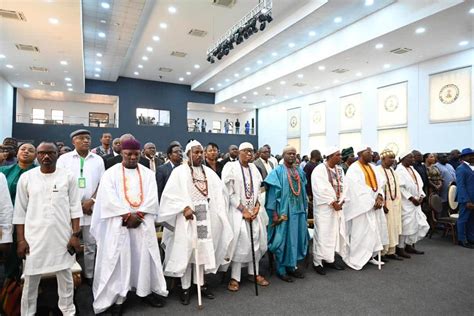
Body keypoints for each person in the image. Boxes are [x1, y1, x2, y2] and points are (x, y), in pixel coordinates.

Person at [90, 139, 168, 314]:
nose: (132, 157)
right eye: (128, 154)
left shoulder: (148, 173)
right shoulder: (110, 173)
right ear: (122, 154)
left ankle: (145, 290)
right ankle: (118, 297)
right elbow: (108, 198)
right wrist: (126, 215)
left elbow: (151, 197)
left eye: (135, 154)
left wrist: (138, 215)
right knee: (119, 259)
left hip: (142, 223)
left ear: (140, 153)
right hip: (119, 223)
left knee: (143, 257)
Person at [158, 140, 233, 305]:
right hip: (186, 218)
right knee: (187, 251)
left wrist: (216, 208)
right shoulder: (179, 172)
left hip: (206, 217)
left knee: (202, 251)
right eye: (196, 152)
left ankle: (200, 284)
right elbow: (169, 196)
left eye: (201, 152)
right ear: (188, 154)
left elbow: (221, 193)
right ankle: (184, 288)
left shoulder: (209, 173)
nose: (199, 155)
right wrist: (183, 207)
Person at [13, 141, 82, 315]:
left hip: (62, 236)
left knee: (65, 275)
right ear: (37, 155)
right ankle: (28, 312)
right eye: (42, 153)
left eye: (51, 153)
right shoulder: (27, 178)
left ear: (57, 155)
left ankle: (67, 310)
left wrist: (75, 235)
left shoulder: (68, 176)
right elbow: (19, 212)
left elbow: (75, 208)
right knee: (30, 278)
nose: (46, 156)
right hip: (34, 237)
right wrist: (21, 240)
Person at [57, 129, 105, 286]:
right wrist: (77, 205)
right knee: (70, 243)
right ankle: (70, 275)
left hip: (91, 209)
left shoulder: (98, 159)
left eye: (88, 138)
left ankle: (89, 275)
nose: (86, 141)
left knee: (91, 245)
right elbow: (59, 183)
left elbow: (102, 183)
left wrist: (91, 201)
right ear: (73, 142)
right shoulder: (64, 159)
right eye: (82, 138)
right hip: (71, 210)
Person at [222, 142, 269, 291]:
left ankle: (253, 273)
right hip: (237, 212)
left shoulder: (255, 168)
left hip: (254, 212)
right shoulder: (230, 168)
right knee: (240, 242)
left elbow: (260, 190)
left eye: (251, 151)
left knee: (255, 239)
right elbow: (229, 192)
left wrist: (256, 207)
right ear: (239, 152)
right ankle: (235, 277)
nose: (249, 154)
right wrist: (243, 210)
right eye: (246, 151)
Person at [264, 146, 309, 282]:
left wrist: (305, 208)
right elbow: (272, 196)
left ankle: (292, 266)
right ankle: (281, 269)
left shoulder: (299, 171)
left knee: (296, 239)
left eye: (294, 154)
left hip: (299, 211)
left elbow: (303, 192)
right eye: (289, 153)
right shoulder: (276, 172)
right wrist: (275, 215)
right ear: (283, 155)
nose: (292, 156)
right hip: (284, 212)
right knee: (282, 240)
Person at [343, 146, 386, 270]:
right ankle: (357, 258)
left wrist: (379, 196)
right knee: (361, 233)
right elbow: (356, 189)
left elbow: (380, 184)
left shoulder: (373, 167)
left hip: (375, 205)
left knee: (374, 231)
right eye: (368, 152)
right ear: (360, 154)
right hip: (362, 208)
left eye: (372, 152)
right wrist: (372, 202)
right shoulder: (354, 169)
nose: (371, 154)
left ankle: (370, 256)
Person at [0, 143, 37, 280]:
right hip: (8, 219)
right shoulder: (4, 172)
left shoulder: (40, 172)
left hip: (31, 220)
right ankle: (11, 285)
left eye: (31, 150)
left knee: (31, 254)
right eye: (23, 149)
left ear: (36, 155)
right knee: (11, 255)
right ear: (17, 152)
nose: (26, 152)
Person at [311, 147, 347, 275]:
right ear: (331, 156)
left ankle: (330, 259)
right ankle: (318, 261)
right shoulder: (319, 170)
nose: (341, 157)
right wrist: (332, 202)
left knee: (333, 234)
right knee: (322, 234)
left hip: (337, 208)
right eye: (338, 155)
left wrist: (341, 201)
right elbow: (319, 189)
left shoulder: (340, 170)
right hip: (324, 209)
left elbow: (345, 187)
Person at [395, 151, 430, 258]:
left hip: (416, 201)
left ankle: (409, 245)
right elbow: (400, 188)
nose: (413, 160)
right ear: (403, 159)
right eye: (411, 158)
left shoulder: (412, 169)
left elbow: (419, 184)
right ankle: (400, 248)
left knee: (417, 224)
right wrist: (411, 198)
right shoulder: (399, 171)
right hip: (407, 203)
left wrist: (421, 196)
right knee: (406, 225)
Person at [378, 149, 403, 261]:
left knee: (394, 226)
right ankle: (382, 252)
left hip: (395, 204)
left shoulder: (393, 171)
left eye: (394, 158)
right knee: (386, 228)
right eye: (390, 158)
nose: (393, 160)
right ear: (383, 159)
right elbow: (377, 190)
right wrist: (383, 205)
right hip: (385, 205)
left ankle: (391, 251)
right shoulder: (377, 171)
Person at [455, 148, 474, 248]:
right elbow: (461, 186)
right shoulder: (461, 168)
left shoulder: (472, 167)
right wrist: (467, 200)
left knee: (471, 219)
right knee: (463, 219)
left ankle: (471, 238)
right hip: (466, 199)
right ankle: (461, 239)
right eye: (469, 155)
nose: (472, 157)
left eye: (473, 155)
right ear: (463, 157)